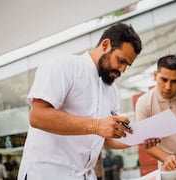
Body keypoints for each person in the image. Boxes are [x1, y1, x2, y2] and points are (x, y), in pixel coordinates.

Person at [17, 22, 159, 180]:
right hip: (46, 174)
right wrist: (97, 126)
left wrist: (140, 138)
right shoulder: (64, 66)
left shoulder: (111, 90)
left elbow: (108, 139)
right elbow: (37, 116)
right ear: (105, 45)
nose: (122, 70)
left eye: (127, 65)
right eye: (121, 61)